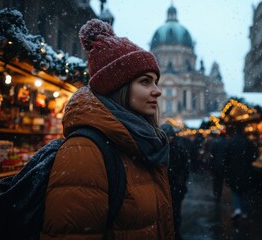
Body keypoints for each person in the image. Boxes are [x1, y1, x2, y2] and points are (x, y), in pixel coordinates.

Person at [41, 19, 175, 240]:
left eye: (156, 82)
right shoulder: (84, 151)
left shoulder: (141, 142)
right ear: (119, 86)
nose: (158, 91)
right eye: (145, 81)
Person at [160, 123, 190, 240]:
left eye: (171, 136)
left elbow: (185, 168)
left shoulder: (177, 149)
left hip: (175, 187)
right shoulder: (162, 148)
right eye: (168, 136)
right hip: (169, 186)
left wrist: (180, 182)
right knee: (168, 212)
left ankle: (175, 232)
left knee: (175, 212)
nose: (170, 138)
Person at [224, 124, 259, 222]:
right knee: (245, 191)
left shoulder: (231, 142)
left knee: (235, 191)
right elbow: (255, 156)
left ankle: (237, 209)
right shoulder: (248, 142)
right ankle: (244, 211)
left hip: (234, 171)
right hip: (246, 170)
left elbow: (226, 158)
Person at [209, 130, 229, 202]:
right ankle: (219, 193)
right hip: (223, 164)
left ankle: (216, 192)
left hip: (216, 163)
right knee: (220, 179)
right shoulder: (227, 142)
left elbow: (211, 152)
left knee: (216, 179)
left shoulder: (216, 141)